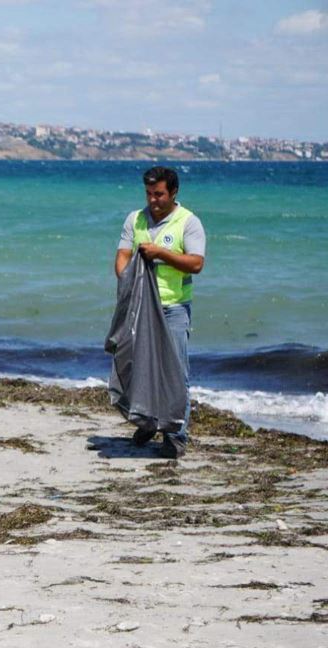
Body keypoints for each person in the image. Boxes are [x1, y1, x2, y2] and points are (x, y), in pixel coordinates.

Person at [114, 166, 206, 459]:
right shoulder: (135, 219)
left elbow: (196, 263)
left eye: (159, 194)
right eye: (149, 193)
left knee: (176, 373)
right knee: (138, 366)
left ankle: (175, 435)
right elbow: (122, 257)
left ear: (173, 192)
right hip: (141, 308)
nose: (153, 200)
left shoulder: (188, 222)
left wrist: (161, 254)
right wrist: (128, 281)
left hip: (174, 308)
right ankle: (145, 421)